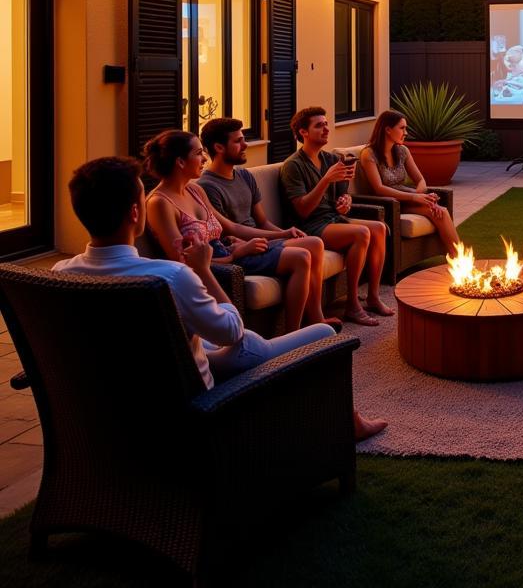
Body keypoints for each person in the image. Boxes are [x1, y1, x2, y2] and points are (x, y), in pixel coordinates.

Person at [58, 156, 386, 440]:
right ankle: (349, 424)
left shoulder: (62, 276)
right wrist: (202, 270)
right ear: (134, 213)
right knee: (324, 336)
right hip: (198, 401)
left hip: (120, 407)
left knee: (221, 342)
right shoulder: (169, 277)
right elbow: (231, 331)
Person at [143, 130, 328, 334]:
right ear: (180, 162)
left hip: (229, 251)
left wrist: (282, 234)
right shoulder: (160, 203)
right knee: (301, 256)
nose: (204, 158)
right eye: (198, 153)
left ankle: (306, 325)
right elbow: (182, 261)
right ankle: (295, 333)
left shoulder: (195, 191)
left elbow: (231, 227)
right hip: (220, 265)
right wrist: (237, 254)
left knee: (310, 246)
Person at [197, 117, 341, 331]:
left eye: (244, 138)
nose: (245, 145)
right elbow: (231, 230)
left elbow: (262, 221)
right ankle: (293, 332)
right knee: (303, 255)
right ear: (218, 147)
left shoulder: (245, 176)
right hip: (244, 248)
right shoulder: (207, 186)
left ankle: (315, 317)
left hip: (262, 241)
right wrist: (282, 236)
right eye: (238, 141)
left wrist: (285, 231)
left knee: (315, 244)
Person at [280, 107, 392, 327]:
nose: (326, 129)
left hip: (333, 219)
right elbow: (303, 210)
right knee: (361, 233)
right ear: (303, 132)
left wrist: (345, 202)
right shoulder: (293, 165)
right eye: (319, 125)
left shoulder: (331, 158)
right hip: (308, 226)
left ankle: (373, 297)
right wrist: (325, 180)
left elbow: (343, 195)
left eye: (326, 124)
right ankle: (352, 304)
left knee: (379, 228)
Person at [357, 110, 460, 254]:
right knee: (438, 210)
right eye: (402, 128)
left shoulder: (402, 151)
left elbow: (420, 180)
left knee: (440, 211)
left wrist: (420, 194)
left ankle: (459, 261)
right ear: (387, 130)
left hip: (406, 199)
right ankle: (459, 261)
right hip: (387, 203)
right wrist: (414, 197)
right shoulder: (369, 154)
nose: (405, 132)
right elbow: (378, 188)